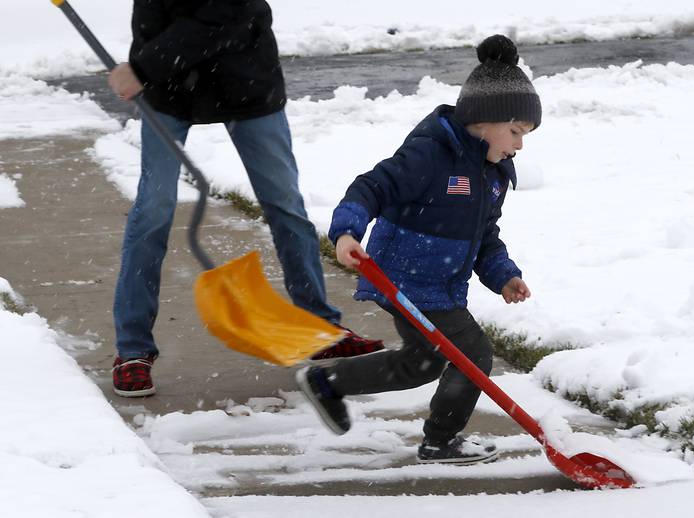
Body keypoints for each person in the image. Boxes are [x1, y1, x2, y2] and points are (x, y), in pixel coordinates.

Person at [108, 0, 383, 398]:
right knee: (153, 210)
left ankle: (321, 326)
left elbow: (226, 15)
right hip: (169, 89)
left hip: (246, 82)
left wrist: (144, 66)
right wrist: (146, 67)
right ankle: (132, 351)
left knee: (285, 205)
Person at [296, 35, 540, 465]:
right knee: (473, 356)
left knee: (422, 362)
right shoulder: (431, 154)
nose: (519, 145)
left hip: (439, 283)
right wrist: (347, 233)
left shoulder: (493, 173)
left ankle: (328, 382)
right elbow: (371, 186)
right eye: (516, 131)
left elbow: (485, 236)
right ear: (485, 119)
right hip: (405, 277)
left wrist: (503, 274)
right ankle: (440, 441)